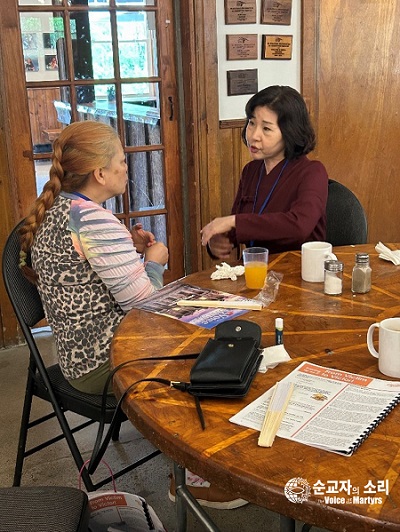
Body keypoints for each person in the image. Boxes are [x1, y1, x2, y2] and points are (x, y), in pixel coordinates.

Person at [19, 121, 168, 395]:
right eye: (121, 161)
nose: (126, 168)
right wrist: (155, 262)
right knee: (205, 343)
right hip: (107, 363)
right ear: (100, 173)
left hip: (74, 360)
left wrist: (130, 251)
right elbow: (147, 309)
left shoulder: (56, 207)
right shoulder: (91, 220)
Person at [201, 85, 329, 259]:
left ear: (289, 133)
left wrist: (233, 222)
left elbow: (299, 227)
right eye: (252, 123)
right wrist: (217, 242)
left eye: (266, 129)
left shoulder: (312, 172)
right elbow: (234, 232)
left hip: (299, 274)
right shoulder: (251, 171)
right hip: (256, 271)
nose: (253, 135)